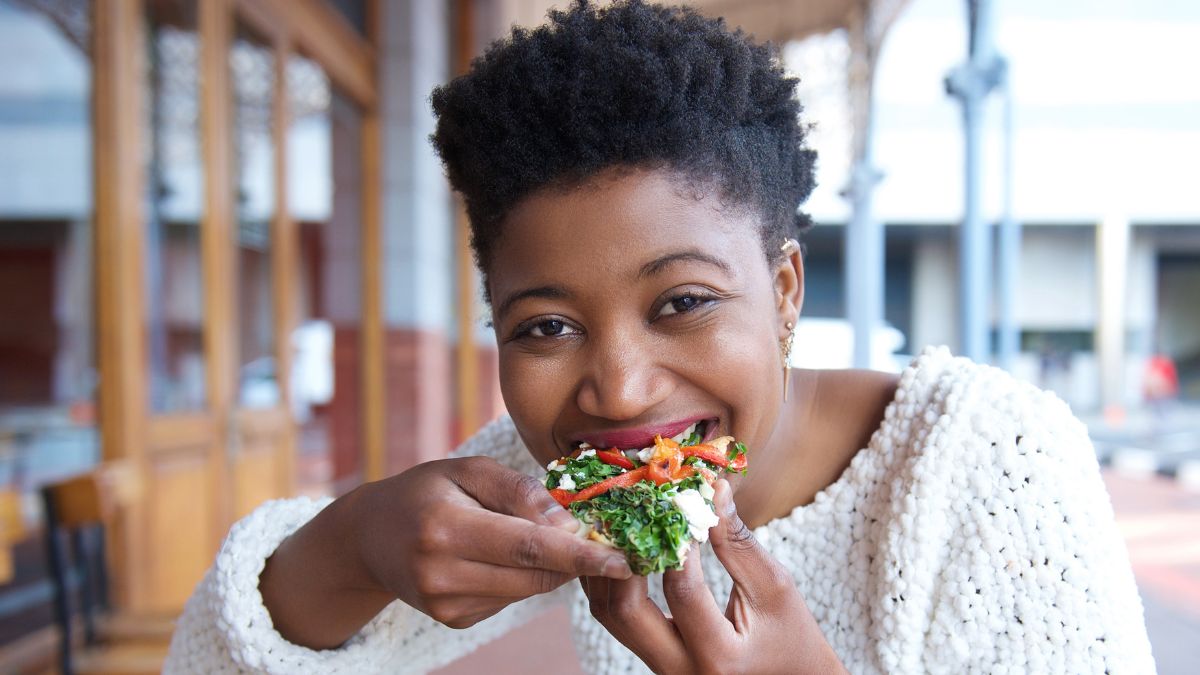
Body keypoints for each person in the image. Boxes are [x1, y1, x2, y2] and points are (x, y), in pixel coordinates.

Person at [164, 2, 1155, 673]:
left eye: (681, 301)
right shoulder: (560, 491)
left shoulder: (989, 459)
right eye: (546, 325)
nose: (623, 390)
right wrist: (345, 549)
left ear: (781, 288)